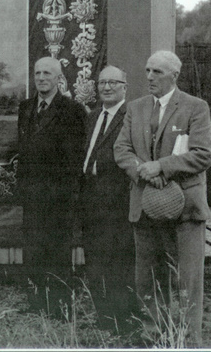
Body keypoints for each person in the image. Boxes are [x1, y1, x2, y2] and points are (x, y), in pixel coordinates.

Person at [114, 50, 211, 347]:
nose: (149, 77)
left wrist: (163, 167)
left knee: (186, 282)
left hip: (186, 211)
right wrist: (144, 172)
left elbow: (204, 153)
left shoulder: (196, 108)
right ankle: (151, 338)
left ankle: (186, 341)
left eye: (157, 72)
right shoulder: (136, 108)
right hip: (145, 207)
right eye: (147, 71)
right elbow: (122, 150)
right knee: (148, 280)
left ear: (175, 76)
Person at [14, 56, 87, 311]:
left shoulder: (73, 110)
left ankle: (59, 304)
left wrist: (65, 194)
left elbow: (75, 159)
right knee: (33, 248)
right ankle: (35, 301)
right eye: (37, 73)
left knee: (57, 251)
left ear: (59, 79)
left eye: (47, 73)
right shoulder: (25, 108)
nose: (42, 78)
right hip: (32, 196)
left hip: (59, 198)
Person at [78, 65, 136, 331]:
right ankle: (103, 316)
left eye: (113, 82)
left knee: (118, 262)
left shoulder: (132, 116)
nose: (107, 87)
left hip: (118, 202)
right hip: (91, 199)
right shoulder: (92, 117)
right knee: (95, 260)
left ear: (125, 86)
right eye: (102, 82)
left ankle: (121, 319)